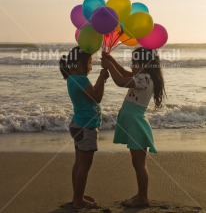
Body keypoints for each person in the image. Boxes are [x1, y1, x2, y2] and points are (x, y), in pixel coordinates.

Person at [101, 47, 166, 208]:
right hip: (134, 123)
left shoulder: (144, 79)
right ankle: (140, 194)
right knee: (137, 163)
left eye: (134, 62)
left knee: (139, 164)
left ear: (144, 64)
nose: (131, 66)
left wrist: (109, 67)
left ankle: (143, 197)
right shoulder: (143, 76)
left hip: (137, 125)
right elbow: (124, 73)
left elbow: (121, 81)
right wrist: (112, 60)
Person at [60, 46, 109, 209]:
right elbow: (97, 97)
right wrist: (102, 77)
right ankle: (78, 200)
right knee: (84, 166)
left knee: (78, 163)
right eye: (89, 63)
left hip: (78, 125)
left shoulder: (71, 78)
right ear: (78, 64)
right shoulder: (81, 80)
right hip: (86, 128)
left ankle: (77, 195)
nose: (90, 67)